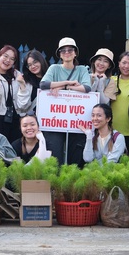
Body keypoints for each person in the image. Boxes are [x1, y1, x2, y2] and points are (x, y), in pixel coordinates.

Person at [39, 37, 91, 165]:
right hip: (56, 121)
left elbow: (86, 87)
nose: (67, 53)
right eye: (63, 51)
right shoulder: (54, 68)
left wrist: (61, 87)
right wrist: (68, 83)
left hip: (74, 120)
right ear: (59, 54)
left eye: (70, 50)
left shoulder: (82, 69)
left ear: (75, 53)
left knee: (74, 155)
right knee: (55, 155)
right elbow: (44, 85)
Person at [0, 45, 30, 143]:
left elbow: (23, 105)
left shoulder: (18, 75)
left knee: (13, 152)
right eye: (5, 56)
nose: (8, 60)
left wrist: (22, 85)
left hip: (15, 119)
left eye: (12, 59)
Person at [19, 49, 49, 114]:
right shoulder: (25, 80)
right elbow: (22, 106)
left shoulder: (52, 78)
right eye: (29, 65)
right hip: (32, 120)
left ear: (41, 61)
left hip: (49, 118)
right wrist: (22, 86)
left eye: (35, 62)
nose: (33, 66)